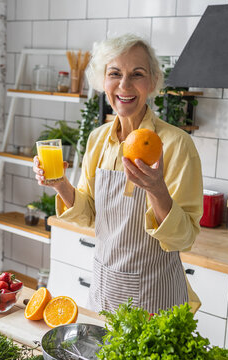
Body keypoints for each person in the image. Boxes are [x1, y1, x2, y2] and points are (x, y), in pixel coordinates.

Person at [33, 34, 203, 314]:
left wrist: (157, 190)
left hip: (155, 297)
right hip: (105, 290)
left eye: (137, 74)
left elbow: (183, 238)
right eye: (115, 74)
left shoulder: (176, 144)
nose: (124, 85)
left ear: (152, 82)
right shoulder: (98, 139)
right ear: (103, 81)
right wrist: (60, 183)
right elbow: (89, 214)